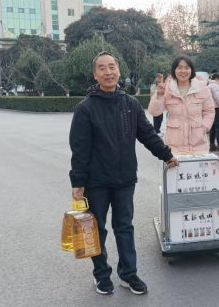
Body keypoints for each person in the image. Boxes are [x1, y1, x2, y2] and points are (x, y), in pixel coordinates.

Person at [69, 52, 179, 296]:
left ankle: (128, 274)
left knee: (125, 227)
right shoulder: (85, 108)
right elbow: (79, 148)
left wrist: (166, 155)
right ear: (95, 74)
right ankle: (101, 274)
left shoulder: (130, 104)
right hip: (96, 182)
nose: (108, 72)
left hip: (125, 179)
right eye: (102, 68)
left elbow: (147, 134)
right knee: (97, 229)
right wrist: (78, 182)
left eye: (112, 67)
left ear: (119, 71)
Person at [148, 56, 215, 154]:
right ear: (174, 70)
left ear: (191, 70)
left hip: (198, 145)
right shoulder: (167, 89)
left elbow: (209, 111)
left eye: (187, 68)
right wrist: (159, 95)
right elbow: (154, 112)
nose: (183, 71)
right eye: (179, 67)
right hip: (174, 147)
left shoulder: (202, 88)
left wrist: (204, 128)